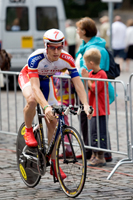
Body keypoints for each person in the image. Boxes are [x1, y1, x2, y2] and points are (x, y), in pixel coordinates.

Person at [18, 28, 93, 180]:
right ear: (46, 46)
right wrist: (45, 107)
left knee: (54, 122)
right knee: (32, 99)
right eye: (53, 47)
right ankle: (28, 129)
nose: (57, 51)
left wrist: (85, 104)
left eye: (60, 46)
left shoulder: (67, 59)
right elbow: (34, 87)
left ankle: (54, 164)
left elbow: (78, 84)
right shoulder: (36, 58)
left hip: (46, 82)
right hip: (28, 78)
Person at [75, 17, 113, 161]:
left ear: (84, 31)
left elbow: (96, 83)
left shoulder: (95, 51)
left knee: (98, 130)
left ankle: (100, 154)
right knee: (92, 128)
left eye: (78, 29)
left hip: (96, 102)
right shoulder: (85, 46)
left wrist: (85, 78)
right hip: (89, 99)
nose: (77, 31)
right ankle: (91, 151)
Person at [82, 48, 110, 167]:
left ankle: (100, 156)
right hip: (93, 109)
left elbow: (95, 88)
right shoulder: (90, 73)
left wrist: (86, 79)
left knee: (100, 133)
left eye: (86, 62)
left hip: (101, 110)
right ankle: (94, 154)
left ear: (91, 63)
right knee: (93, 133)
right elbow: (86, 88)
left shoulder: (102, 74)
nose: (85, 65)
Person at [53, 70, 75, 157]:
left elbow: (59, 83)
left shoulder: (67, 72)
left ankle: (69, 148)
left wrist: (60, 74)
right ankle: (66, 148)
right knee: (60, 123)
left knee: (64, 123)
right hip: (58, 100)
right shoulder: (58, 72)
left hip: (65, 101)